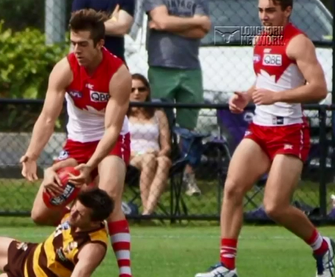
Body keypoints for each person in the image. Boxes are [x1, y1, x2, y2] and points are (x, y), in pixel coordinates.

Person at [195, 0, 332, 276]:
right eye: (260, 11)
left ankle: (323, 247)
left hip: (289, 132)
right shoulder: (260, 39)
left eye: (270, 11)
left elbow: (318, 88)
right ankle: (227, 267)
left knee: (274, 207)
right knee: (233, 188)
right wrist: (246, 96)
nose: (264, 17)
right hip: (260, 128)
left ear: (287, 10)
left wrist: (277, 97)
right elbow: (266, 80)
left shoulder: (299, 43)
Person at [19, 9, 133, 277]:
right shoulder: (65, 68)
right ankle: (76, 233)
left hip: (111, 140)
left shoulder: (119, 73)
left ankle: (125, 272)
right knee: (40, 214)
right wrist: (32, 154)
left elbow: (112, 129)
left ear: (100, 44)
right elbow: (48, 118)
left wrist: (90, 166)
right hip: (77, 142)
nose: (76, 50)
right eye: (73, 43)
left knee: (108, 197)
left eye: (83, 44)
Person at [0, 187, 114, 277]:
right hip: (30, 254)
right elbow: (37, 213)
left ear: (94, 221)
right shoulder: (75, 214)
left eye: (79, 214)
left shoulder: (92, 247)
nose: (72, 213)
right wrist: (50, 174)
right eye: (74, 207)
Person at [144, 0, 211, 196]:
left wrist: (166, 24)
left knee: (188, 127)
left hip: (191, 69)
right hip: (161, 65)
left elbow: (202, 30)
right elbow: (162, 22)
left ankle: (188, 176)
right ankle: (159, 176)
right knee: (160, 124)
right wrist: (192, 22)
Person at [128, 73, 171, 215]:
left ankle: (147, 211)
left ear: (147, 91)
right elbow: (116, 143)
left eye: (141, 89)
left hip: (155, 154)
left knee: (164, 161)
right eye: (132, 89)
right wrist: (142, 154)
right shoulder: (122, 114)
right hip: (131, 157)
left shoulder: (158, 114)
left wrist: (159, 153)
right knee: (148, 159)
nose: (136, 93)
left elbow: (166, 146)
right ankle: (148, 211)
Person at [71, 0, 135, 63]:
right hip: (85, 61)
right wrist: (113, 21)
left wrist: (90, 25)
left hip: (114, 61)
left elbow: (122, 28)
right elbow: (78, 26)